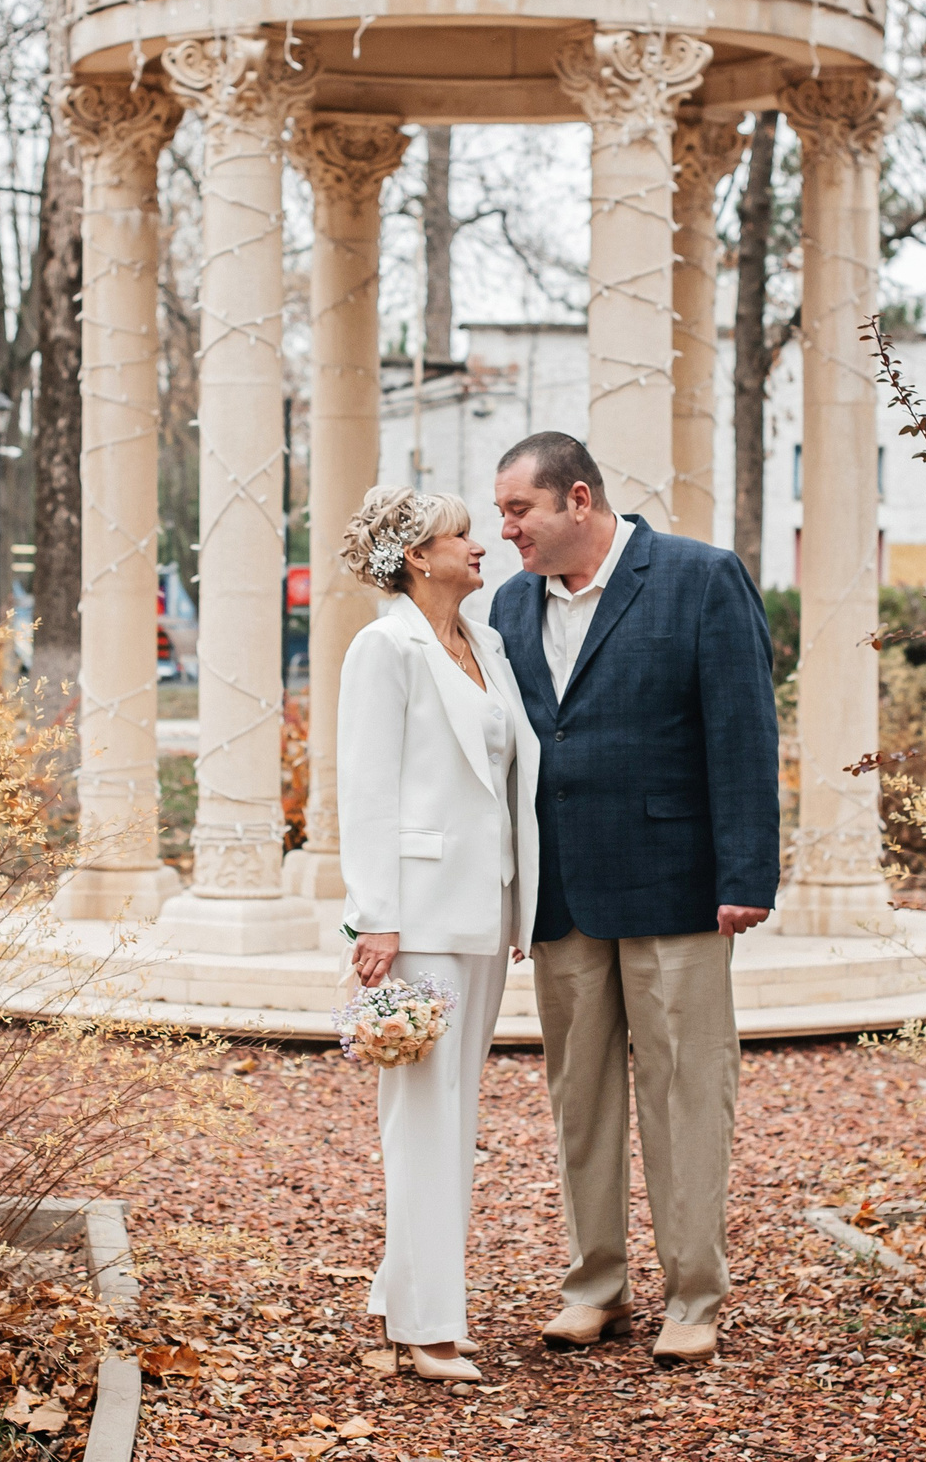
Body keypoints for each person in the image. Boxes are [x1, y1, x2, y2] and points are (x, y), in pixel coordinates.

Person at [485, 432, 779, 1366]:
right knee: (580, 1100)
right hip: (563, 891)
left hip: (677, 886)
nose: (504, 530)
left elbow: (744, 729)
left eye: (518, 510)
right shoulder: (507, 602)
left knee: (688, 1092)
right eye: (500, 513)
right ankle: (595, 1286)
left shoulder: (699, 577)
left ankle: (694, 1295)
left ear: (578, 499)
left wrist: (745, 875)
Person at [334, 485, 541, 1383]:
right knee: (421, 1123)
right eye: (463, 535)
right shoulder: (386, 647)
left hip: (484, 913)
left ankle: (401, 1300)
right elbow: (367, 787)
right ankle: (428, 1331)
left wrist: (521, 899)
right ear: (420, 555)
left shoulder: (484, 643)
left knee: (453, 1122)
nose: (481, 545)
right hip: (413, 921)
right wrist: (375, 914)